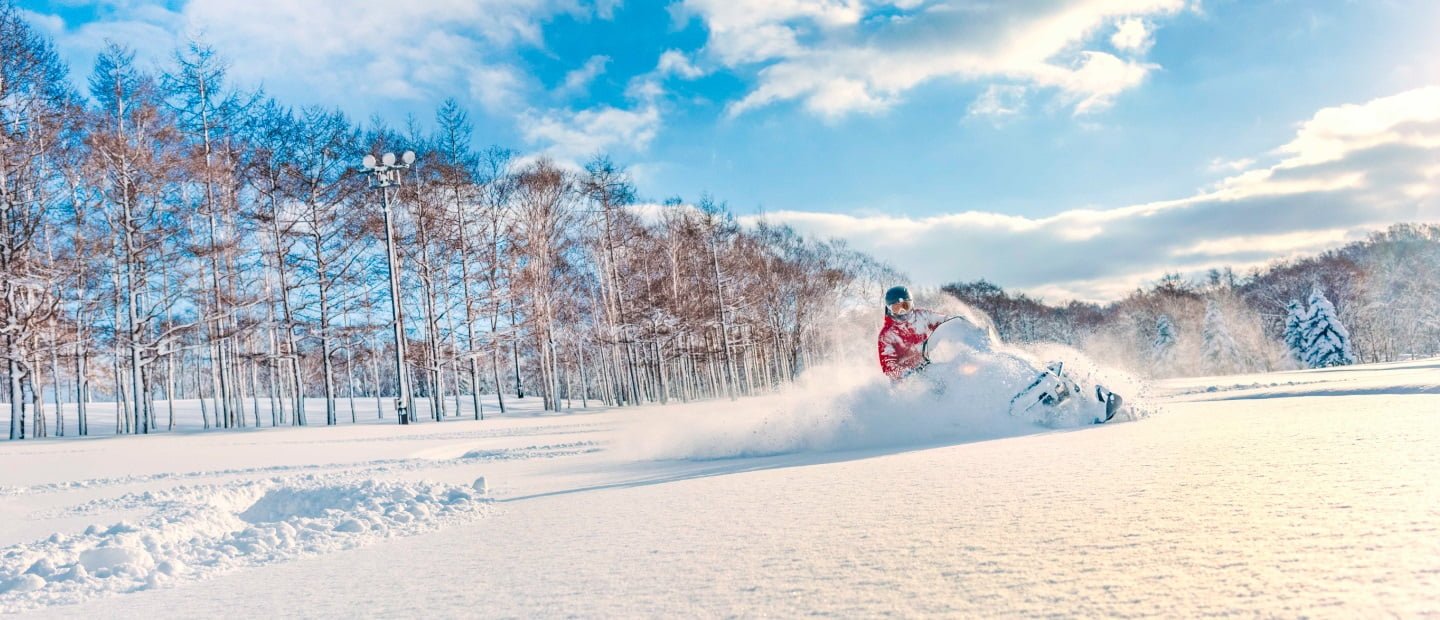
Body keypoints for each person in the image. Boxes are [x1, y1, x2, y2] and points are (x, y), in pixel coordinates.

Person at [877, 285, 950, 381]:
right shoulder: (887, 335)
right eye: (897, 308)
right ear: (890, 310)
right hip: (907, 379)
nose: (902, 311)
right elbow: (889, 366)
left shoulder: (921, 316)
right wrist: (907, 373)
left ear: (911, 305)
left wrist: (957, 322)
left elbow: (944, 321)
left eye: (905, 306)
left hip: (928, 366)